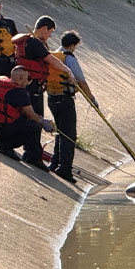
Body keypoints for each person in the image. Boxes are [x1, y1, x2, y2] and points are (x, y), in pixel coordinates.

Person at [46, 30, 98, 183]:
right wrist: (92, 99)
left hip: (51, 97)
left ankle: (55, 163)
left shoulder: (53, 56)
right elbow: (81, 81)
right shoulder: (69, 59)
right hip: (64, 100)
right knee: (69, 135)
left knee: (61, 131)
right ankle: (64, 169)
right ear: (73, 45)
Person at [0, 65, 55, 169]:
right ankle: (32, 156)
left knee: (25, 120)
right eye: (27, 79)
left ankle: (5, 145)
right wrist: (43, 122)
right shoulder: (18, 92)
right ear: (20, 78)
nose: (28, 82)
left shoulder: (0, 86)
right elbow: (31, 115)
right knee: (33, 125)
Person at [12, 16, 74, 136]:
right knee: (36, 118)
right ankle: (32, 150)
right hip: (33, 86)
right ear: (44, 28)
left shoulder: (27, 41)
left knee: (26, 116)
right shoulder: (34, 43)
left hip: (25, 84)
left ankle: (27, 147)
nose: (50, 35)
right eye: (50, 32)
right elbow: (51, 59)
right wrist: (67, 70)